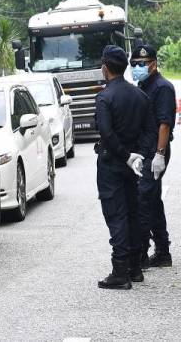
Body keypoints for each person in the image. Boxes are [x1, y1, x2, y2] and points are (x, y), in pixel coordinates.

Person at [94, 45, 157, 290]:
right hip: (133, 164)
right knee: (132, 212)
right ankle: (134, 267)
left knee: (116, 215)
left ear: (106, 68)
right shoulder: (140, 95)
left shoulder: (104, 97)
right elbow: (150, 129)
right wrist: (139, 154)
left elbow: (106, 133)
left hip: (112, 163)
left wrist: (125, 155)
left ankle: (120, 271)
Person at [131, 44, 177, 268]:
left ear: (154, 64)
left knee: (142, 199)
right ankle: (163, 251)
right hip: (145, 150)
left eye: (142, 64)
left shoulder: (163, 87)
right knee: (153, 200)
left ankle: (140, 253)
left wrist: (159, 155)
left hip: (156, 151)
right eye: (134, 64)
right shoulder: (143, 85)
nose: (138, 67)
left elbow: (165, 124)